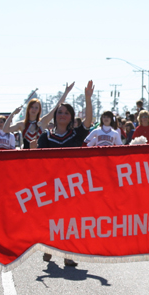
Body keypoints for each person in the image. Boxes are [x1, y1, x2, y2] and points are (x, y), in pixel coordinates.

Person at [37, 81, 95, 267]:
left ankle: (68, 253)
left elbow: (88, 121)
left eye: (66, 113)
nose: (62, 115)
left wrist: (87, 97)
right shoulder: (46, 137)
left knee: (71, 219)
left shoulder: (77, 135)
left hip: (73, 183)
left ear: (71, 118)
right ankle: (48, 247)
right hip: (51, 183)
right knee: (52, 218)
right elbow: (39, 161)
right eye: (60, 112)